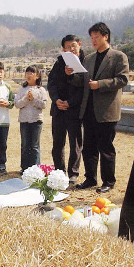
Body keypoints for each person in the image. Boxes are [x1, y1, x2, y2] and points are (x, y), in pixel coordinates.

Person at [68, 22, 128, 193]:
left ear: (105, 36)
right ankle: (90, 178)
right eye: (91, 38)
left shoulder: (118, 56)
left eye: (96, 37)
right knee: (89, 147)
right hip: (88, 109)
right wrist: (71, 74)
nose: (93, 40)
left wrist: (100, 84)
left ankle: (108, 181)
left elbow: (122, 79)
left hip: (106, 110)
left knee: (106, 148)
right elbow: (83, 81)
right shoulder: (89, 59)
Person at [48, 35, 85, 184]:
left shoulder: (86, 62)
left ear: (79, 45)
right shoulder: (59, 63)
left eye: (73, 46)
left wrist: (70, 103)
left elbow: (84, 89)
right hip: (58, 108)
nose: (70, 49)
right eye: (67, 47)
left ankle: (73, 172)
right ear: (63, 49)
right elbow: (51, 84)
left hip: (74, 109)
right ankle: (59, 171)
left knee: (75, 143)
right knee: (58, 142)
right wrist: (56, 99)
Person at [15, 65, 48, 172]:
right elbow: (17, 104)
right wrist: (26, 99)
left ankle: (35, 169)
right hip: (24, 120)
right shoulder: (21, 89)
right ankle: (24, 168)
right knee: (25, 145)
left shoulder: (41, 89)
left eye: (31, 73)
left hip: (36, 121)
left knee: (34, 145)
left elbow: (44, 105)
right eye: (27, 73)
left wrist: (33, 100)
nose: (28, 75)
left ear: (37, 76)